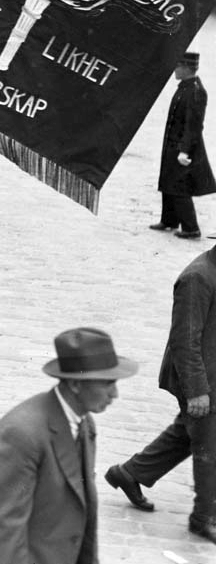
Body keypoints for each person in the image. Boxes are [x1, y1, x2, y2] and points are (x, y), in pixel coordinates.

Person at [0, 328, 138, 564]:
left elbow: (83, 512)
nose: (114, 394)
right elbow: (3, 529)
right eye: (107, 383)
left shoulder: (85, 424)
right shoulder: (22, 434)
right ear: (75, 384)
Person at [105, 245, 216, 543]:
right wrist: (196, 392)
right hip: (201, 381)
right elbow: (185, 341)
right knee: (210, 445)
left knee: (190, 432)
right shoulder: (198, 277)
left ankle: (129, 473)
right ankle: (204, 517)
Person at [151, 51, 215, 239]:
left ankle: (191, 228)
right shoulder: (186, 87)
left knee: (180, 186)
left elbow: (193, 125)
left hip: (184, 147)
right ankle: (169, 220)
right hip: (174, 144)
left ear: (187, 68)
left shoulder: (195, 91)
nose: (174, 70)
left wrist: (184, 151)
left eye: (177, 66)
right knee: (168, 180)